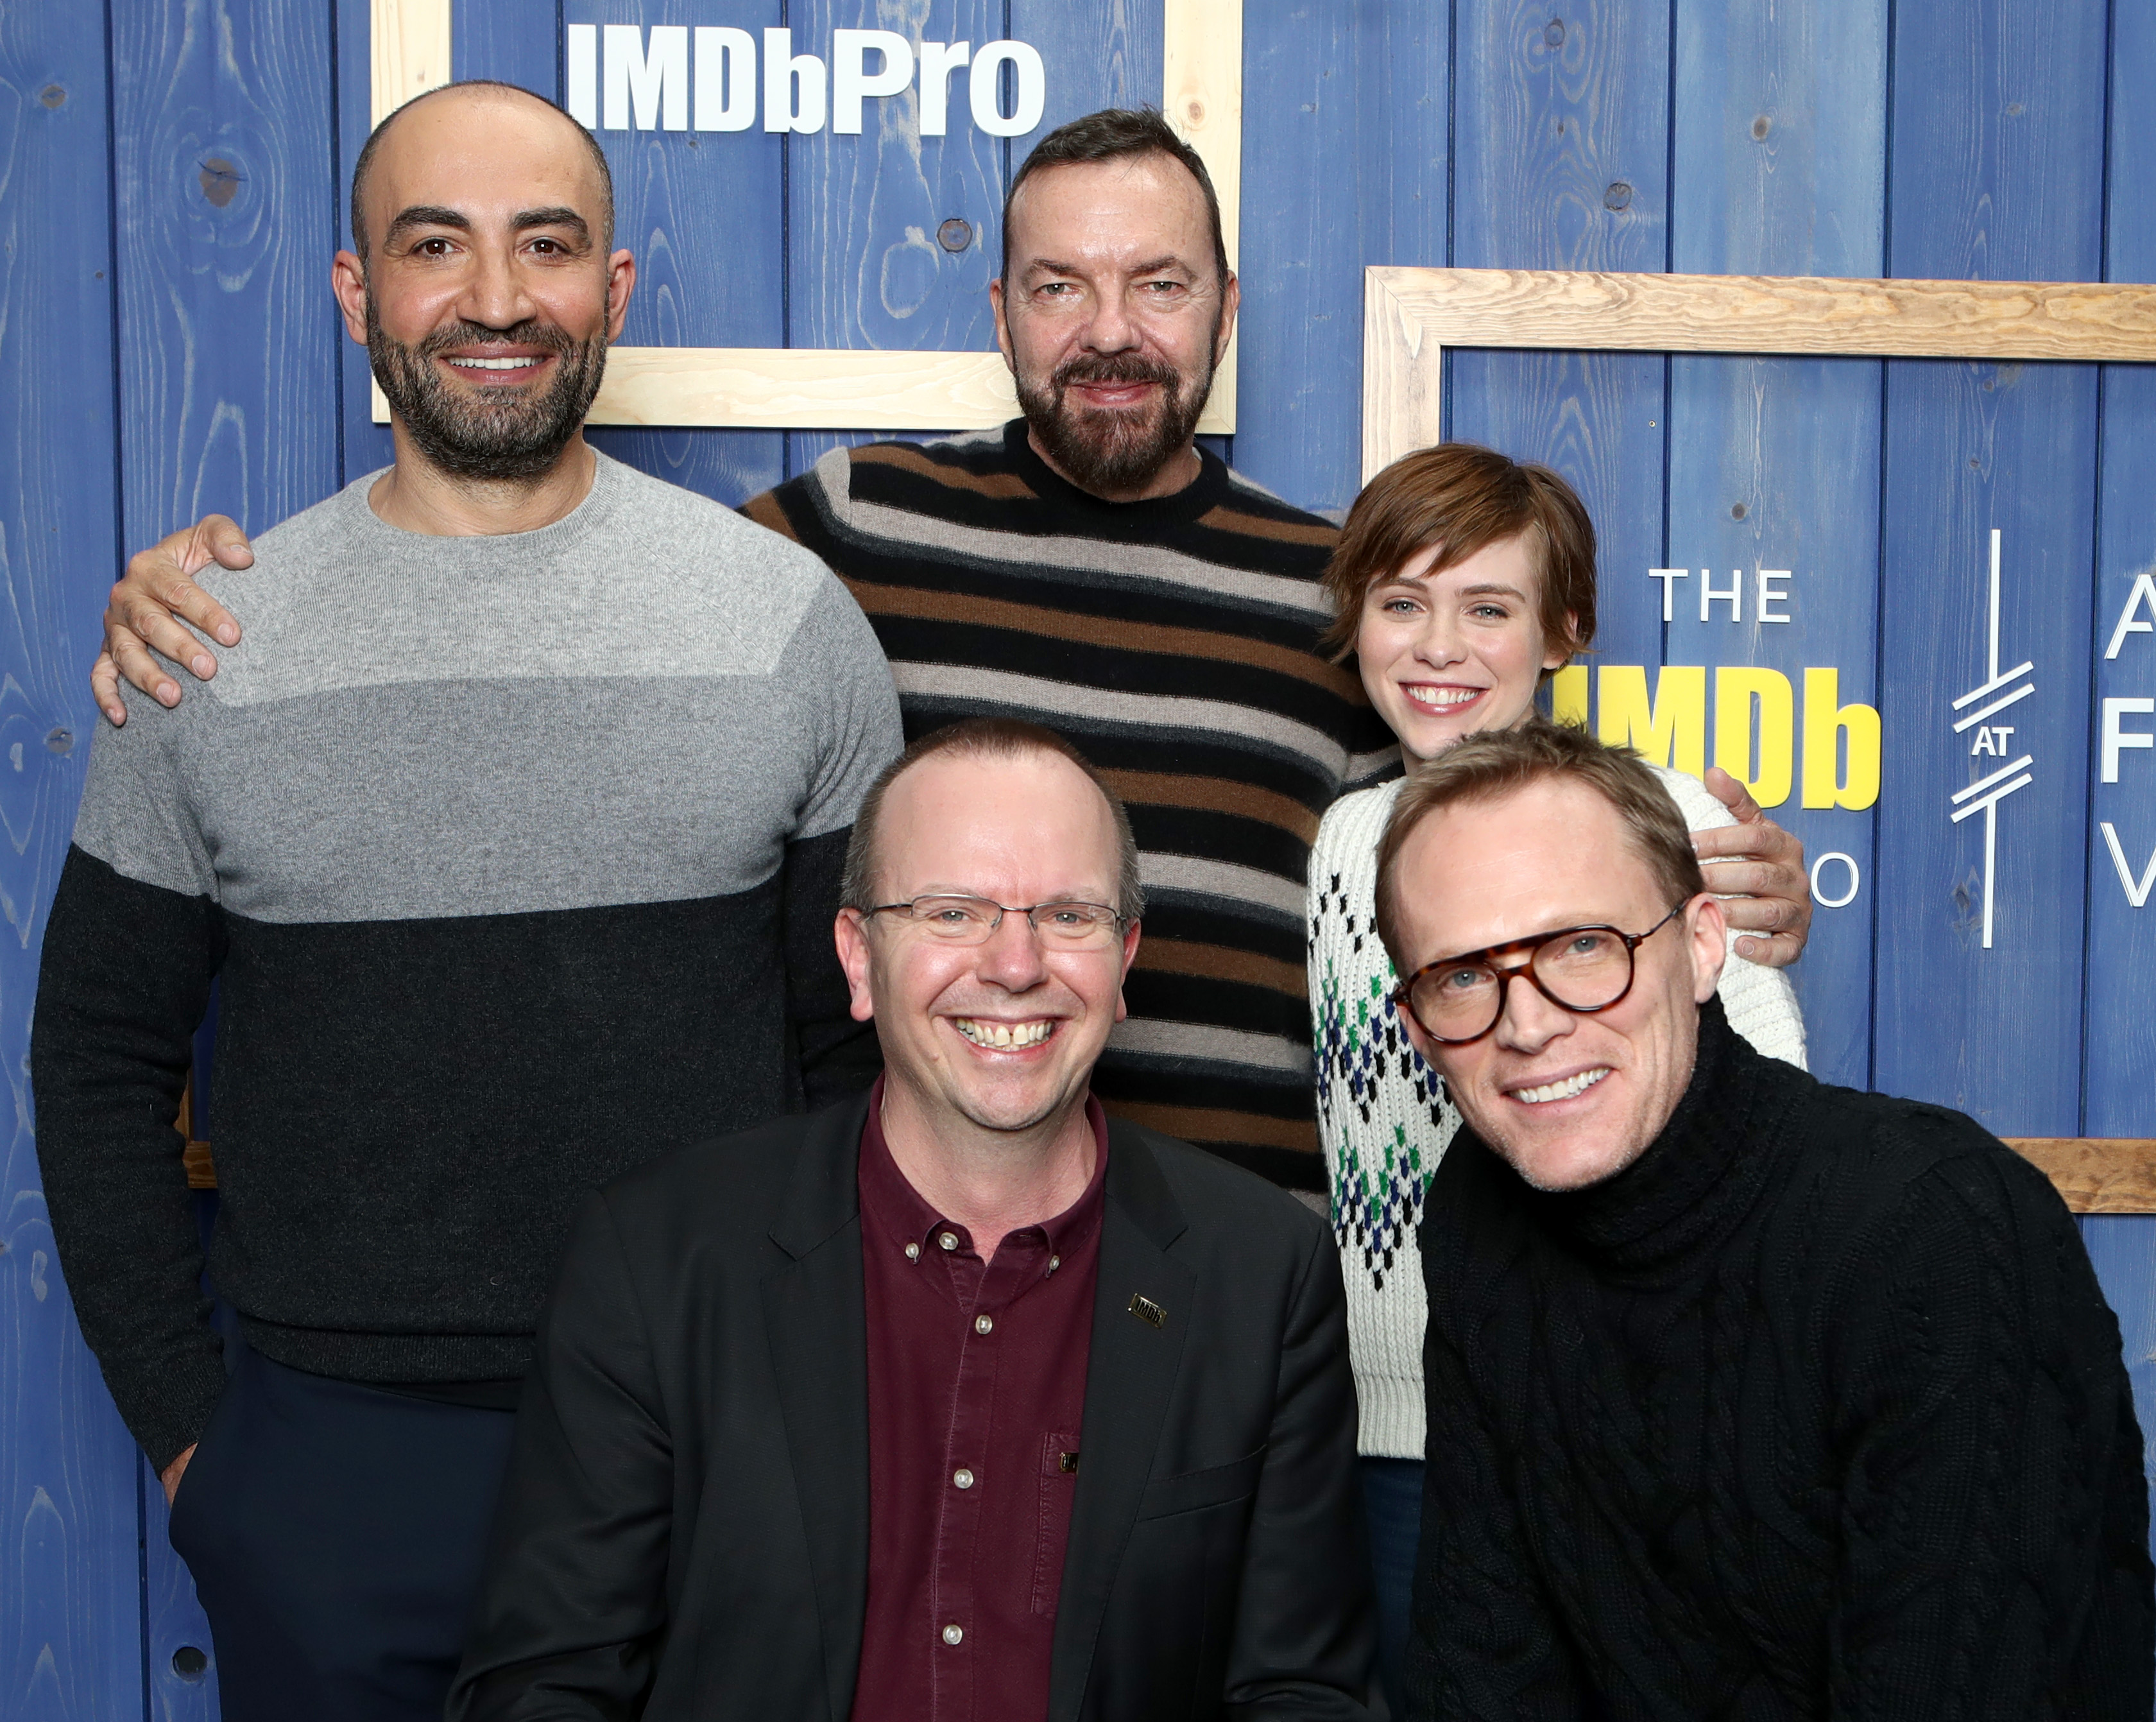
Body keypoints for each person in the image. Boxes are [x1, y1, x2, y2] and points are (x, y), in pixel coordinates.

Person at [87, 110, 1812, 1212]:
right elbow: (553, 568)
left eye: (1157, 284)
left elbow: (1502, 844)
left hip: (1271, 1289)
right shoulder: (849, 525)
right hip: (943, 1267)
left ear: (1223, 307)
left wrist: (1713, 896)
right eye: (1060, 286)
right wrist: (207, 590)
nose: (1111, 331)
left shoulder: (1336, 591)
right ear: (998, 314)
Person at [31, 80, 900, 1722]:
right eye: (436, 244)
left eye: (546, 243)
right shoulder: (205, 644)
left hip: (701, 1457)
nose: (492, 295)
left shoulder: (785, 627)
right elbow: (96, 1060)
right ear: (356, 289)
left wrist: (811, 1411)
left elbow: (867, 1063)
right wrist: (201, 1445)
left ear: (616, 286)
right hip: (333, 1474)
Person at [427, 716, 1380, 1722]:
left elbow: (1302, 1710)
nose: (1014, 965)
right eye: (953, 913)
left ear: (1128, 958)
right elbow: (541, 1691)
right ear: (859, 959)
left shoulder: (1253, 1272)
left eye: (1067, 916)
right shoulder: (670, 1254)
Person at [1213, 718, 2156, 1722]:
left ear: (1703, 942)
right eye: (1462, 978)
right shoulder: (1487, 1233)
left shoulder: (1930, 1233)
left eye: (1580, 950)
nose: (1526, 1027)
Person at [1302, 445, 1808, 1722]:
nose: (1442, 650)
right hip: (1397, 1428)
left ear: (1562, 636)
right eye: (1404, 605)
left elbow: (1761, 1117)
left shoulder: (1647, 818)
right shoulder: (1344, 843)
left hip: (1619, 1421)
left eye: (1488, 609)